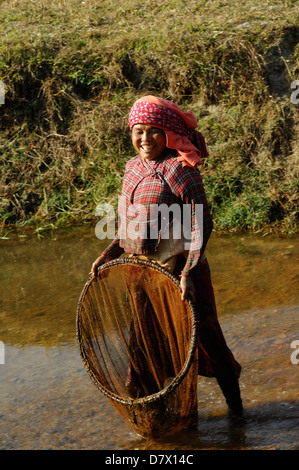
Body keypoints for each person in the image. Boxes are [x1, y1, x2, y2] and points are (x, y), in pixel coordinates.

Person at [91, 95, 243, 415]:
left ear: (169, 135)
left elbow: (202, 225)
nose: (145, 139)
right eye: (138, 131)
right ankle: (168, 418)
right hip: (142, 274)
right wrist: (108, 253)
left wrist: (188, 272)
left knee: (207, 340)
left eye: (153, 131)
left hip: (181, 273)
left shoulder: (180, 169)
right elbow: (127, 226)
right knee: (146, 346)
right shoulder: (132, 168)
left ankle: (237, 412)